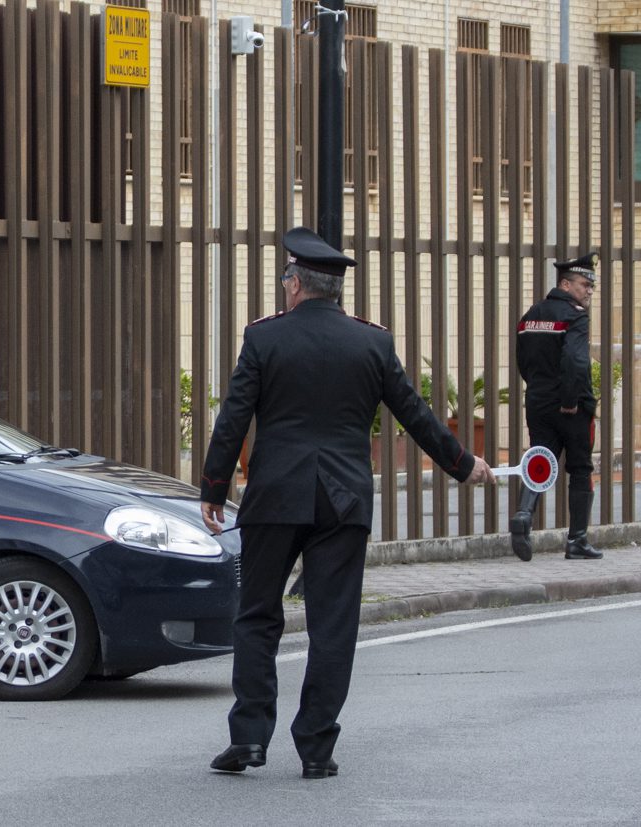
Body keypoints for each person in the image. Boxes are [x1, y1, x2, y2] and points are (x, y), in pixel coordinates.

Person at [200, 227, 494, 780]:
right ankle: (316, 747)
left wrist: (215, 487)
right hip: (344, 501)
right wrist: (462, 464)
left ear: (295, 285)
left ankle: (249, 739)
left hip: (275, 498)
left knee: (257, 616)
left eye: (285, 276)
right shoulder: (372, 343)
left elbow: (234, 417)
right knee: (332, 625)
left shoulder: (264, 339)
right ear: (335, 291)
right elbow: (415, 413)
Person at [510, 253, 602, 561]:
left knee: (541, 461)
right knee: (580, 468)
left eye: (591, 285)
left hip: (537, 401)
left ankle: (524, 514)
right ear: (565, 283)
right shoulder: (575, 315)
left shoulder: (530, 315)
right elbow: (575, 361)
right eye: (583, 284)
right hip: (570, 405)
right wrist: (570, 401)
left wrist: (539, 389)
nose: (589, 290)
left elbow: (523, 361)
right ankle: (577, 540)